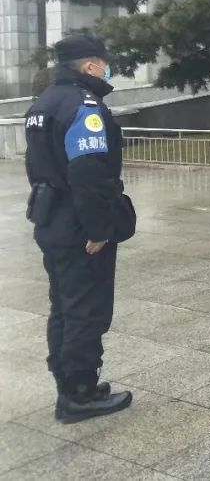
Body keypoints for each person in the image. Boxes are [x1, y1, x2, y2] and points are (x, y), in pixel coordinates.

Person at [24, 33, 135, 423]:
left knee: (65, 307)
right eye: (102, 62)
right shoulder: (84, 105)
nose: (106, 68)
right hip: (78, 224)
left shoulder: (44, 102)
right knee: (87, 310)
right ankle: (79, 395)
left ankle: (69, 384)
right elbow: (88, 173)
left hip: (51, 217)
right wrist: (99, 229)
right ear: (90, 65)